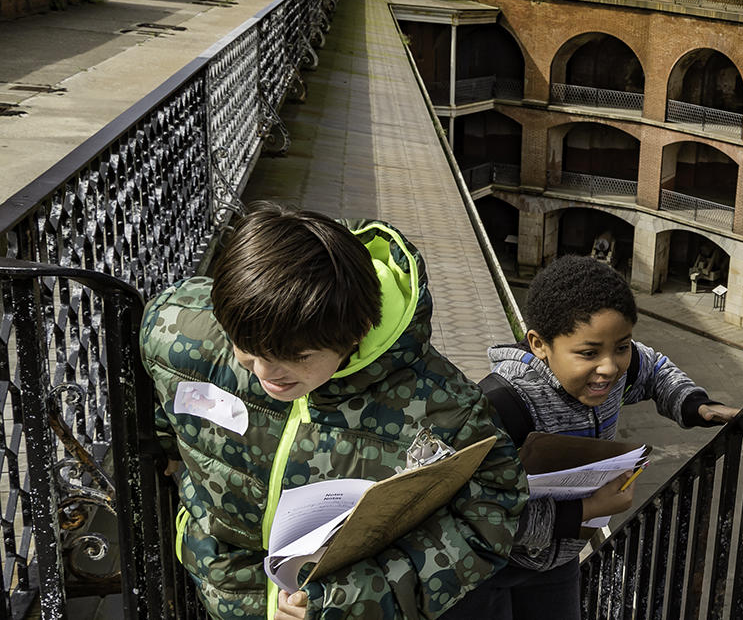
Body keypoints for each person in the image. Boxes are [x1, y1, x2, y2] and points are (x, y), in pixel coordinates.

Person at [141, 203, 530, 620]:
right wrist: (165, 445)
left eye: (298, 357)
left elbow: (492, 515)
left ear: (357, 331)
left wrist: (354, 599)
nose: (266, 373)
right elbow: (162, 390)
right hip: (219, 590)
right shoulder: (176, 327)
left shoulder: (446, 408)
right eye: (248, 350)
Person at [484, 255, 739, 619]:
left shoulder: (616, 371)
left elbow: (652, 368)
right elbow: (482, 516)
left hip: (558, 564)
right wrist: (589, 511)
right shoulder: (503, 405)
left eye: (621, 347)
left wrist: (694, 404)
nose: (610, 367)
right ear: (539, 343)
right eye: (589, 353)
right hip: (489, 570)